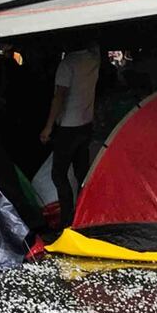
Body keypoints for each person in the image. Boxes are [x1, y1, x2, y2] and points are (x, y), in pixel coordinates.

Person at [40, 43, 100, 228]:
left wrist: (48, 127)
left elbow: (59, 96)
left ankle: (67, 218)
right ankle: (86, 212)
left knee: (58, 174)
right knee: (81, 171)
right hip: (86, 123)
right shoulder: (94, 59)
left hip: (68, 125)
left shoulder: (68, 64)